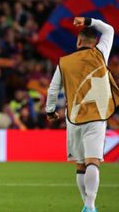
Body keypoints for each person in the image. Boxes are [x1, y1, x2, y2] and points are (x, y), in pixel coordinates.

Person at [46, 17, 117, 212]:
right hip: (96, 116)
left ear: (78, 42)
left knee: (80, 164)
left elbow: (53, 89)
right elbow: (109, 29)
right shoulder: (100, 53)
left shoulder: (64, 62)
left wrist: (50, 111)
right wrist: (87, 21)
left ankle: (85, 204)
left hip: (74, 118)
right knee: (93, 160)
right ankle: (90, 205)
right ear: (95, 43)